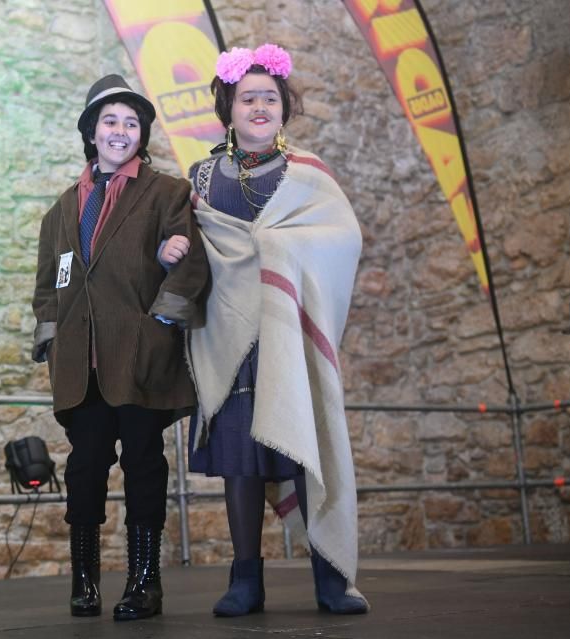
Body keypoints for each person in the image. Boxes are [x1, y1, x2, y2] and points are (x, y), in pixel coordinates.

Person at [162, 44, 369, 616]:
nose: (258, 106)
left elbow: (344, 238)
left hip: (288, 332)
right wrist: (168, 249)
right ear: (228, 106)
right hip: (228, 334)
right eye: (247, 97)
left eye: (269, 99)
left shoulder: (307, 173)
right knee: (240, 461)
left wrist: (281, 249)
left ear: (284, 108)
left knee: (304, 449)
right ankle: (245, 580)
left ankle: (329, 577)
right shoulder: (201, 175)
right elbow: (192, 246)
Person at [31, 75, 209, 621]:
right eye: (110, 121)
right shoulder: (61, 210)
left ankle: (145, 583)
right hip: (80, 367)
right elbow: (47, 285)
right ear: (91, 131)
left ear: (142, 134)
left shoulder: (168, 192)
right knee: (84, 469)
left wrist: (160, 319)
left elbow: (193, 263)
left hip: (140, 359)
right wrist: (51, 335)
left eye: (132, 123)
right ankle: (84, 583)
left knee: (143, 466)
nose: (121, 131)